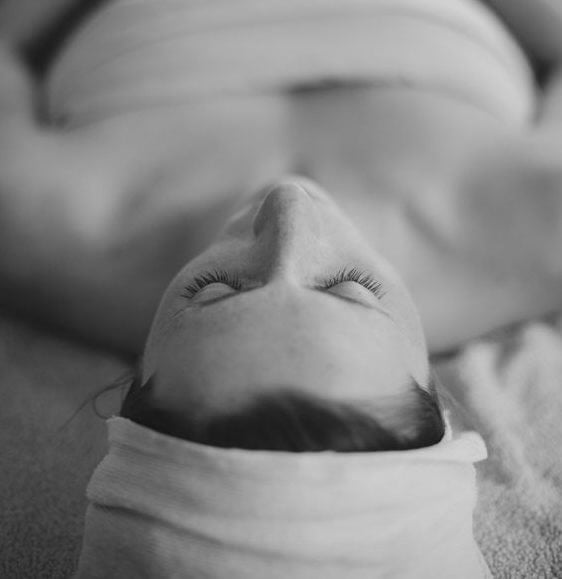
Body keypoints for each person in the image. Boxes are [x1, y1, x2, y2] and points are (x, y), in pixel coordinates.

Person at [0, 0, 561, 576]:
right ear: (437, 394)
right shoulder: (539, 232)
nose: (290, 203)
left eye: (214, 289)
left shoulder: (45, 230)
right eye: (352, 288)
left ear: (139, 371)